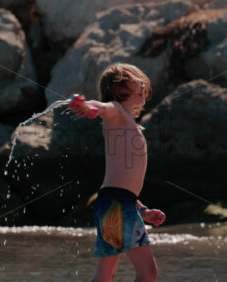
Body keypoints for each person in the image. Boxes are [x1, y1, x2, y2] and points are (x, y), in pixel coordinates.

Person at [69, 63, 166, 282]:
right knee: (148, 272)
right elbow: (102, 107)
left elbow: (124, 186)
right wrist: (87, 107)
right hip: (117, 203)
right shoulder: (117, 112)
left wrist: (144, 210)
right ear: (118, 88)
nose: (143, 86)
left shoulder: (129, 122)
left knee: (105, 275)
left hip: (113, 202)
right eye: (137, 82)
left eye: (143, 82)